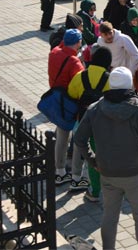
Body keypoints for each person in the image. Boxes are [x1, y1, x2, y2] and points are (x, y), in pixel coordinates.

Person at [74, 67, 138, 250]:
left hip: (107, 173)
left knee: (109, 215)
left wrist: (93, 161)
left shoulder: (95, 108)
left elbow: (79, 139)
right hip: (137, 173)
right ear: (129, 84)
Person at [67, 46, 112, 202]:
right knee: (97, 155)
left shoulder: (80, 76)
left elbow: (71, 92)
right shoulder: (109, 78)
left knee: (82, 152)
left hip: (82, 121)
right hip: (102, 125)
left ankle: (78, 178)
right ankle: (96, 188)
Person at [48, 29, 86, 187]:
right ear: (78, 43)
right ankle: (76, 177)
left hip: (58, 100)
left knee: (62, 136)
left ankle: (60, 172)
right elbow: (81, 83)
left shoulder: (54, 52)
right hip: (72, 104)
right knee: (77, 138)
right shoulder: (74, 62)